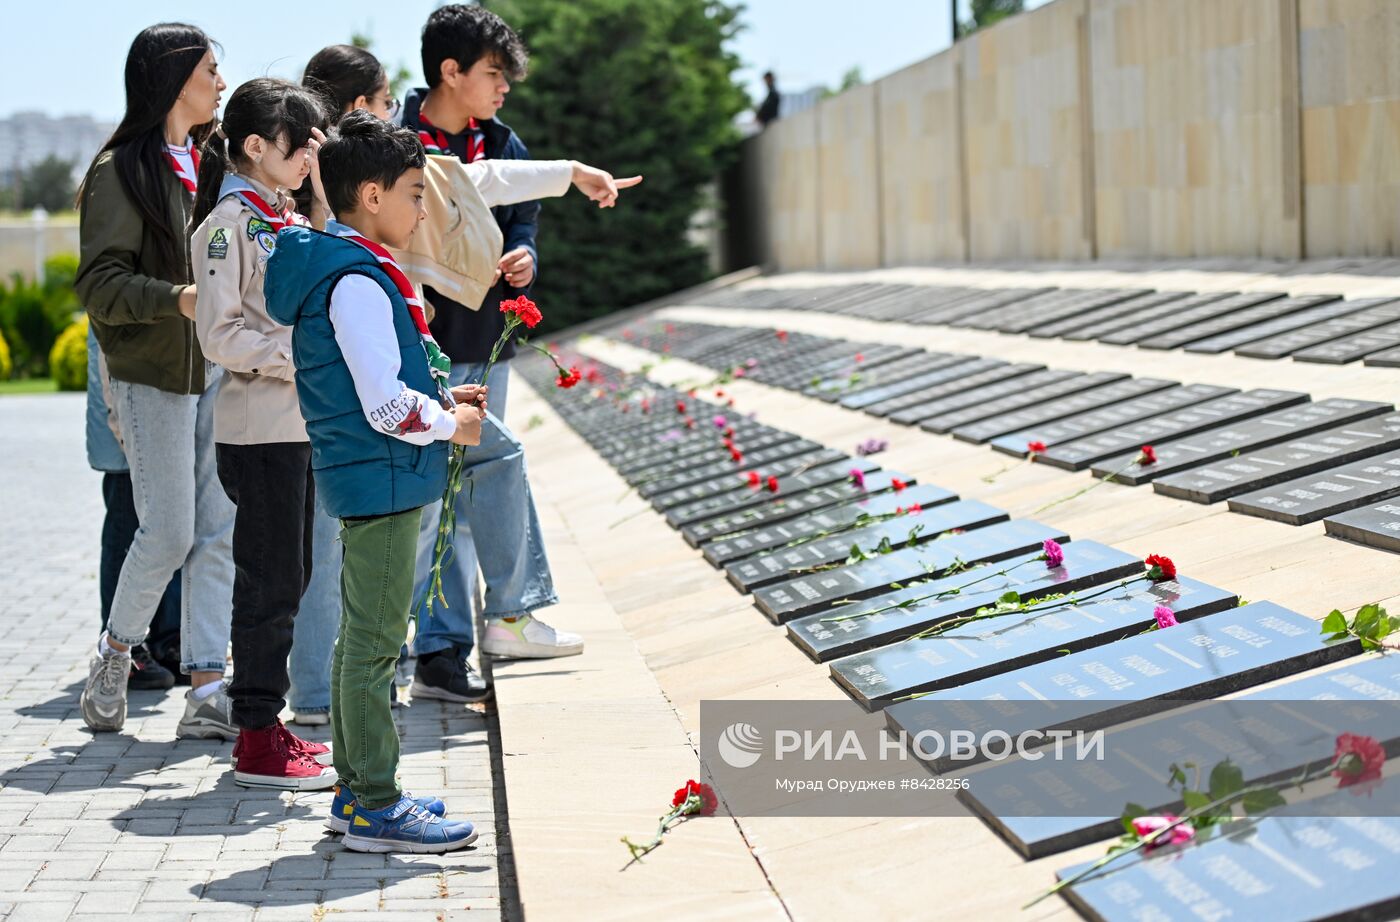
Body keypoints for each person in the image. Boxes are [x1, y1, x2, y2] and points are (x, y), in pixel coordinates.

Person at [264, 111, 487, 852]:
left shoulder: (350, 265)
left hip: (377, 476)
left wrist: (443, 403)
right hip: (383, 478)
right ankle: (376, 806)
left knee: (362, 639)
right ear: (369, 194)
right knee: (374, 647)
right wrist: (447, 422)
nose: (423, 209)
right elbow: (385, 403)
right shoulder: (355, 279)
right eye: (415, 192)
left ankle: (358, 793)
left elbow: (390, 389)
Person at [401, 4, 576, 702]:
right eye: (493, 73)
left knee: (473, 497)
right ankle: (442, 648)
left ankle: (461, 642)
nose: (504, 88)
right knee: (438, 501)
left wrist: (524, 253)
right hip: (424, 351)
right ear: (451, 71)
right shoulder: (395, 142)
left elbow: (522, 217)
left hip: (487, 344)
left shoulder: (504, 141)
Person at [75, 23, 237, 738]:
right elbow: (101, 285)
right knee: (169, 533)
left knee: (216, 532)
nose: (220, 82)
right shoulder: (120, 171)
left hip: (215, 371)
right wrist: (177, 298)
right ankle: (115, 655)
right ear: (174, 79)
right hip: (151, 376)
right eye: (209, 69)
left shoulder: (209, 161)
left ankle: (207, 692)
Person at [190, 77, 336, 789]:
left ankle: (265, 723)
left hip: (294, 425)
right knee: (269, 582)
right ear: (255, 146)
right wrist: (298, 359)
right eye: (299, 143)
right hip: (259, 432)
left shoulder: (282, 217)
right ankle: (254, 736)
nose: (311, 156)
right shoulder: (226, 226)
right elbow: (220, 335)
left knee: (290, 576)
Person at [86, 325, 182, 690]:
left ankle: (168, 640)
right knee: (127, 531)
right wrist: (121, 428)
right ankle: (126, 648)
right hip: (123, 422)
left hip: (162, 413)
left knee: (174, 527)